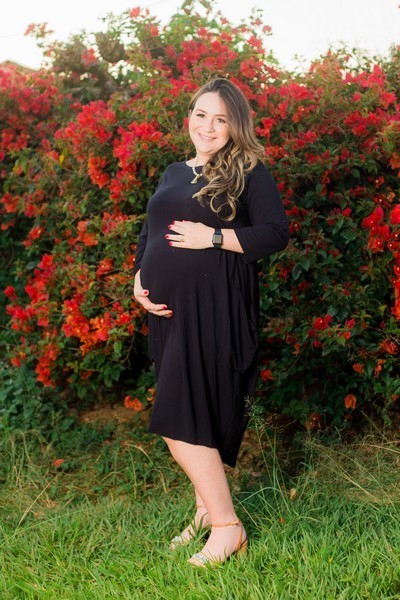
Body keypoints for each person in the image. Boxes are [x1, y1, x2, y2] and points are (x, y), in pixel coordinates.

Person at [133, 78, 289, 567]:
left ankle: (227, 527)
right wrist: (138, 278)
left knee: (178, 416)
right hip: (170, 312)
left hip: (215, 307)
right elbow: (151, 230)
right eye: (201, 114)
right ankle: (205, 510)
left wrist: (214, 238)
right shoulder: (174, 171)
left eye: (220, 119)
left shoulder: (248, 171)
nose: (208, 126)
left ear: (235, 125)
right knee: (192, 408)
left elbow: (275, 233)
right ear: (189, 117)